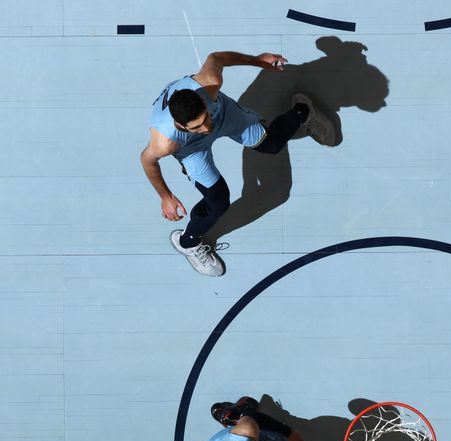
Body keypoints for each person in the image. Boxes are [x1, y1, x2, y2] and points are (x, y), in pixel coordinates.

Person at [140, 51, 334, 277]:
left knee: (270, 145)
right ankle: (188, 241)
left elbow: (216, 58)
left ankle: (303, 111)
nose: (205, 129)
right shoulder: (166, 141)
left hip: (222, 114)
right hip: (191, 149)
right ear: (181, 126)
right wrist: (166, 197)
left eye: (204, 120)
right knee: (219, 201)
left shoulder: (210, 85)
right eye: (197, 126)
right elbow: (147, 160)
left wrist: (257, 61)